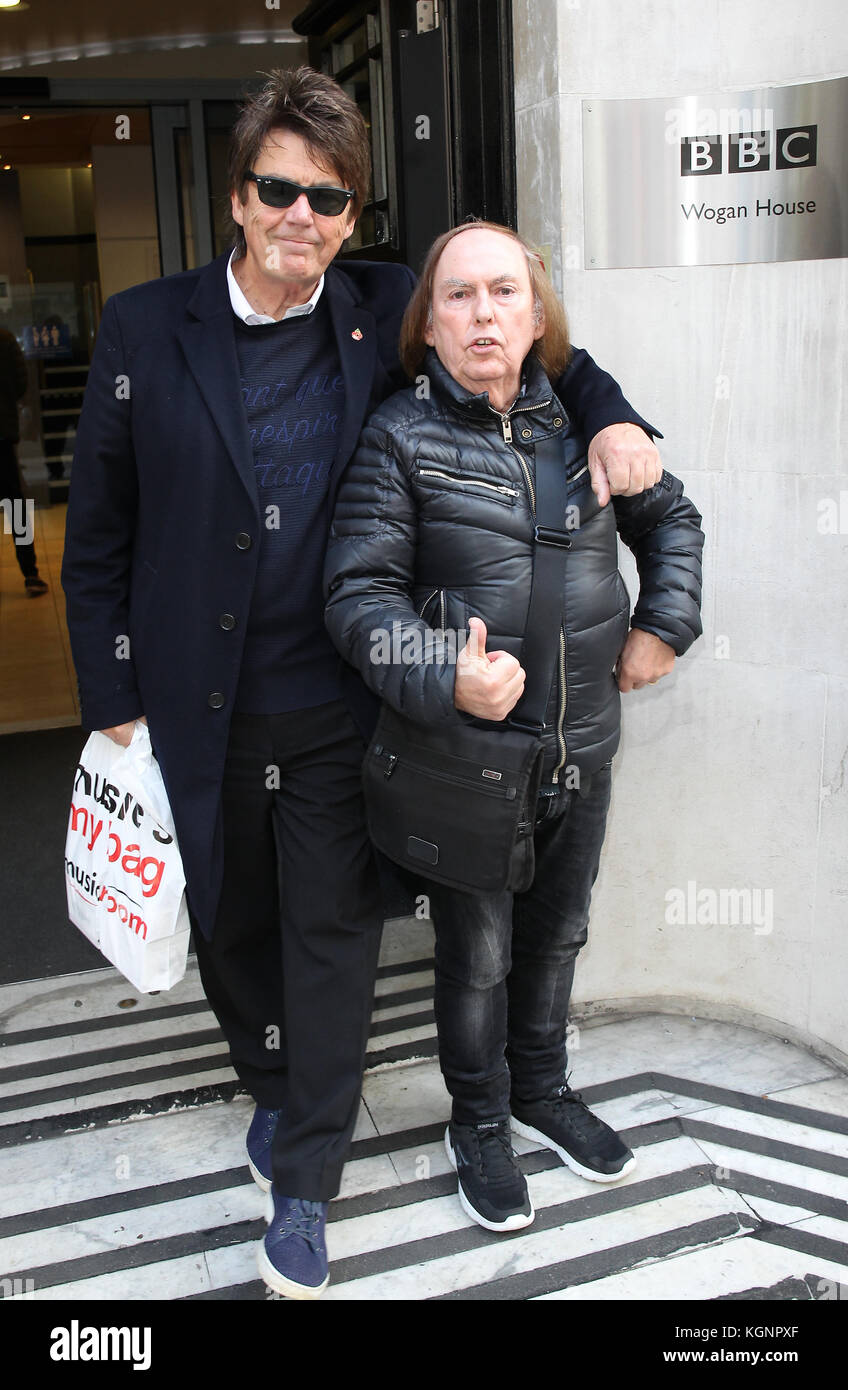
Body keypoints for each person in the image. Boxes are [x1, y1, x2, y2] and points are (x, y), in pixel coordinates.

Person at [62, 68, 665, 1299]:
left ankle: (305, 1180)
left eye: (327, 197)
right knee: (233, 927)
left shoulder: (382, 304)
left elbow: (533, 339)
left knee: (331, 934)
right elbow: (99, 535)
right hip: (199, 701)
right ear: (238, 198)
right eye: (278, 188)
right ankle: (277, 1091)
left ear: (350, 215)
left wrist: (611, 416)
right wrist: (111, 695)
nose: (302, 215)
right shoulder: (142, 329)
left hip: (341, 697)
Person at [324, 221, 704, 1234]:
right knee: (478, 953)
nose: (482, 313)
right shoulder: (397, 437)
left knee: (558, 934)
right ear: (429, 322)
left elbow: (672, 521)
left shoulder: (582, 427)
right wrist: (439, 669)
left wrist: (663, 625)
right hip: (468, 763)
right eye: (458, 296)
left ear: (536, 317)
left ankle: (542, 1087)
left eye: (502, 293)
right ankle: (480, 1118)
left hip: (581, 747)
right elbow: (356, 599)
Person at [0, 325, 48, 597]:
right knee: (14, 505)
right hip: (2, 436)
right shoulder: (6, 339)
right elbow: (21, 384)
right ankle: (31, 573)